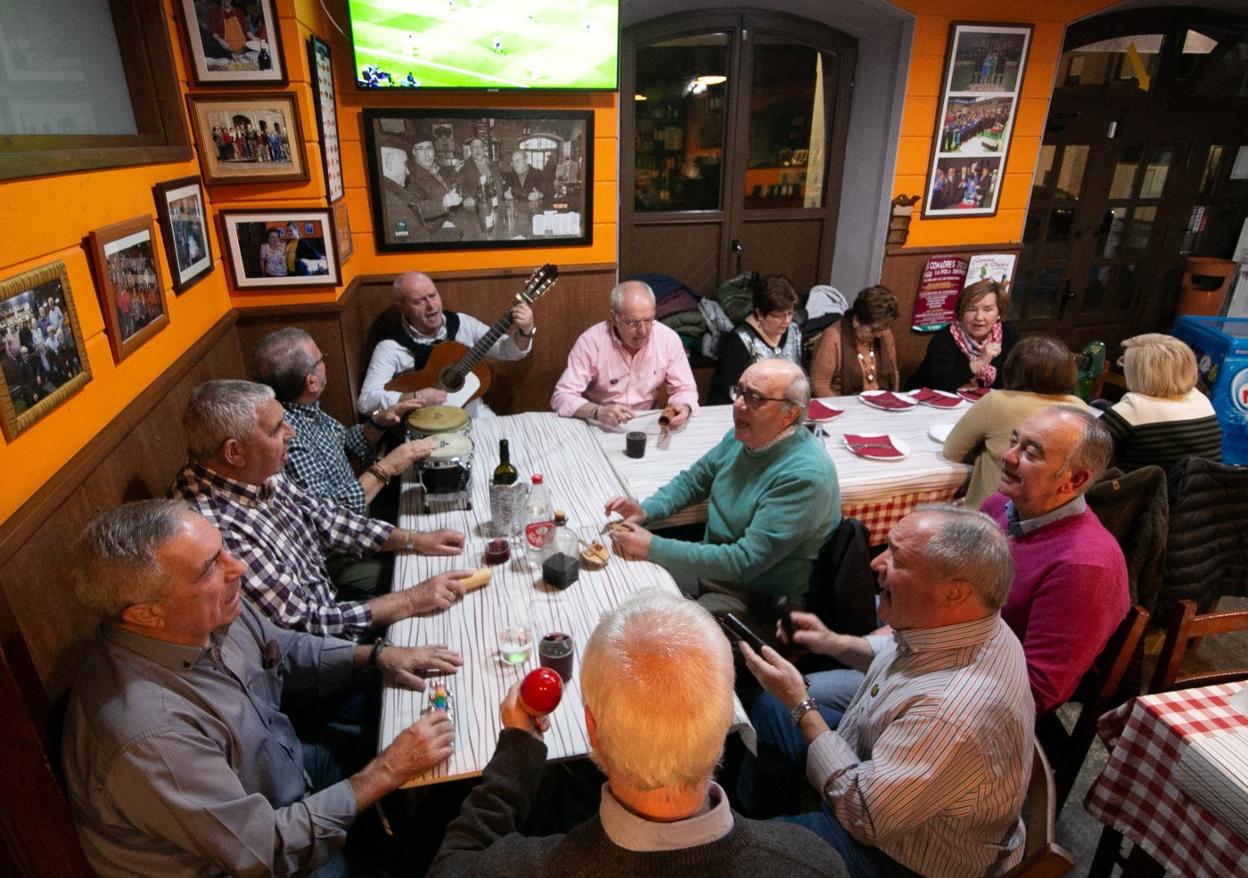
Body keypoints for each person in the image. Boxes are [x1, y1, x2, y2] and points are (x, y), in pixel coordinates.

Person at [61, 500, 460, 877]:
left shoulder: (203, 612)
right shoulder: (150, 733)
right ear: (146, 614)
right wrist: (387, 769)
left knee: (429, 781)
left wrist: (375, 655)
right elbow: (263, 850)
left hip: (284, 773)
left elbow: (281, 650)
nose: (238, 567)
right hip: (250, 860)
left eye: (224, 551)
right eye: (208, 569)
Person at [428, 590, 849, 877]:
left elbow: (452, 863)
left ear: (591, 730)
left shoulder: (532, 867)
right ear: (725, 726)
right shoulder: (813, 863)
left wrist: (518, 751)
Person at [742, 505, 1034, 878]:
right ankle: (768, 815)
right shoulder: (971, 620)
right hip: (880, 777)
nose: (877, 563)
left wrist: (802, 705)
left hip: (901, 855)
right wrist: (832, 642)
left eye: (897, 557)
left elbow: (865, 815)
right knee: (770, 707)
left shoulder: (952, 711)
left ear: (955, 593)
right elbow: (897, 649)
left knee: (750, 855)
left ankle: (764, 836)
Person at [171, 379, 471, 640]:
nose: (291, 432)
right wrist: (411, 599)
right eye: (276, 429)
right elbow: (305, 624)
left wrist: (414, 539)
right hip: (315, 651)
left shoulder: (255, 470)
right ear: (234, 451)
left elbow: (329, 519)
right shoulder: (214, 530)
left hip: (329, 604)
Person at [606, 359, 839, 614]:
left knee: (656, 624)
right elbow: (694, 480)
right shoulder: (743, 437)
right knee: (620, 578)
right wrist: (646, 510)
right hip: (717, 574)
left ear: (790, 413)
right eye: (739, 392)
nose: (739, 404)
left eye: (755, 398)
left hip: (759, 600)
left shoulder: (804, 476)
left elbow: (744, 561)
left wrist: (652, 546)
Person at [982, 405, 1129, 711]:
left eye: (1031, 453)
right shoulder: (1001, 504)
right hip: (942, 644)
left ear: (1074, 480)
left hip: (982, 702)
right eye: (1014, 441)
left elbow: (1035, 692)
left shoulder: (1085, 567)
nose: (1008, 457)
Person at [252, 327, 436, 518]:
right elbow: (331, 512)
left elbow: (342, 445)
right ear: (312, 382)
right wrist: (388, 466)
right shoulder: (289, 437)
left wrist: (379, 422)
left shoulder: (305, 408)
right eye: (320, 358)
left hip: (362, 513)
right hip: (347, 536)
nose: (324, 360)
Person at [357, 270, 534, 419]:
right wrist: (415, 397)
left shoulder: (461, 324)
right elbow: (365, 402)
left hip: (472, 415)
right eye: (419, 301)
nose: (431, 306)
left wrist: (526, 331)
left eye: (433, 296)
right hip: (423, 424)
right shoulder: (391, 347)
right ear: (402, 308)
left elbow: (505, 350)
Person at [942, 336, 1087, 509]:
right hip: (1050, 515)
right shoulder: (1079, 408)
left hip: (991, 518)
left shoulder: (997, 401)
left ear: (1013, 368)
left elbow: (952, 451)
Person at [551, 280, 698, 428]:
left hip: (647, 420)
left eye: (648, 320)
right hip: (600, 421)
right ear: (614, 318)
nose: (643, 331)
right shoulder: (591, 341)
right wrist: (597, 411)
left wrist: (684, 407)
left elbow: (685, 388)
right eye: (633, 323)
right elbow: (562, 396)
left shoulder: (667, 338)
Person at [1100, 333, 1223, 472]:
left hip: (1146, 491)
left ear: (1140, 373)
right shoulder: (1201, 399)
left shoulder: (1135, 406)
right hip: (1198, 489)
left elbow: (1084, 447)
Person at [907, 278, 1019, 392]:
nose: (979, 317)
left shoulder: (1009, 334)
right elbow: (939, 383)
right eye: (971, 309)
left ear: (999, 313)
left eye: (988, 310)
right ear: (961, 313)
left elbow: (1014, 379)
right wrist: (980, 362)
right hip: (929, 402)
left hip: (983, 403)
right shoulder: (945, 337)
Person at [709, 274, 802, 405]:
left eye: (790, 313)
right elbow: (728, 392)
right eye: (778, 316)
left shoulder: (794, 332)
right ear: (759, 314)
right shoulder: (738, 341)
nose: (787, 321)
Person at [809, 285, 900, 397]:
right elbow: (820, 386)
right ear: (856, 320)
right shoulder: (833, 337)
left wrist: (892, 402)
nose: (879, 335)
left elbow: (894, 374)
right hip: (843, 406)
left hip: (881, 406)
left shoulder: (884, 334)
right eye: (873, 330)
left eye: (883, 329)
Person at [407, 128, 463, 236]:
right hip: (436, 232)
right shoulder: (411, 178)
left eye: (429, 148)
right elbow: (416, 209)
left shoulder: (437, 168)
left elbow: (443, 186)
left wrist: (455, 172)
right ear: (414, 152)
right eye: (421, 149)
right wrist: (443, 203)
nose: (427, 154)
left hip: (454, 221)